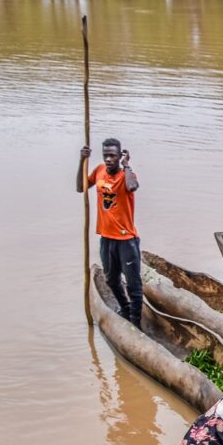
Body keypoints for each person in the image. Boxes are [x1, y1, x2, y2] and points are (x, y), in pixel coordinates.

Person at [76, 139, 142, 328]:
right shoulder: (98, 171)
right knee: (111, 279)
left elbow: (132, 187)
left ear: (119, 156)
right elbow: (80, 188)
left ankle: (136, 324)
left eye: (113, 155)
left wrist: (127, 165)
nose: (108, 159)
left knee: (133, 285)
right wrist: (82, 160)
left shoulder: (127, 175)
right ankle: (125, 308)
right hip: (106, 237)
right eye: (106, 155)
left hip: (126, 239)